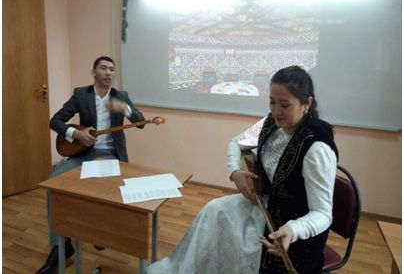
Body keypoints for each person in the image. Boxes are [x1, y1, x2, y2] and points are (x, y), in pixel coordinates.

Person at [146, 65, 338, 274]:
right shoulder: (272, 123)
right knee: (213, 211)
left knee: (234, 246)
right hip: (265, 207)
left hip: (292, 233)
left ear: (306, 103)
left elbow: (323, 214)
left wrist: (293, 229)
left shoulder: (317, 149)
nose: (276, 111)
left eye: (285, 105)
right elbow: (236, 143)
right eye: (272, 102)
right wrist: (234, 172)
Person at [36, 56, 145, 274]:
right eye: (103, 68)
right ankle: (61, 246)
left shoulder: (121, 96)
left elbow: (140, 123)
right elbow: (55, 121)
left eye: (111, 69)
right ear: (93, 72)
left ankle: (98, 232)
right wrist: (76, 133)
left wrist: (125, 109)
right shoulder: (81, 95)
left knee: (100, 188)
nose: (108, 72)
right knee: (52, 182)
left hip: (110, 155)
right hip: (84, 152)